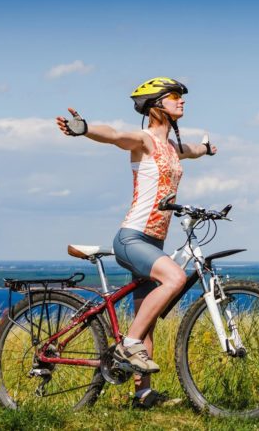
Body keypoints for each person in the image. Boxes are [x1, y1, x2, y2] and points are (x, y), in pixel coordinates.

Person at [55, 77, 217, 408]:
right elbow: (114, 135)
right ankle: (127, 344)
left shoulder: (173, 148)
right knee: (174, 278)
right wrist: (83, 128)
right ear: (157, 105)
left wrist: (206, 148)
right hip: (132, 238)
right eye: (174, 97)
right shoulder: (142, 140)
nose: (182, 102)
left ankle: (142, 394)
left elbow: (194, 151)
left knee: (148, 318)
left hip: (153, 243)